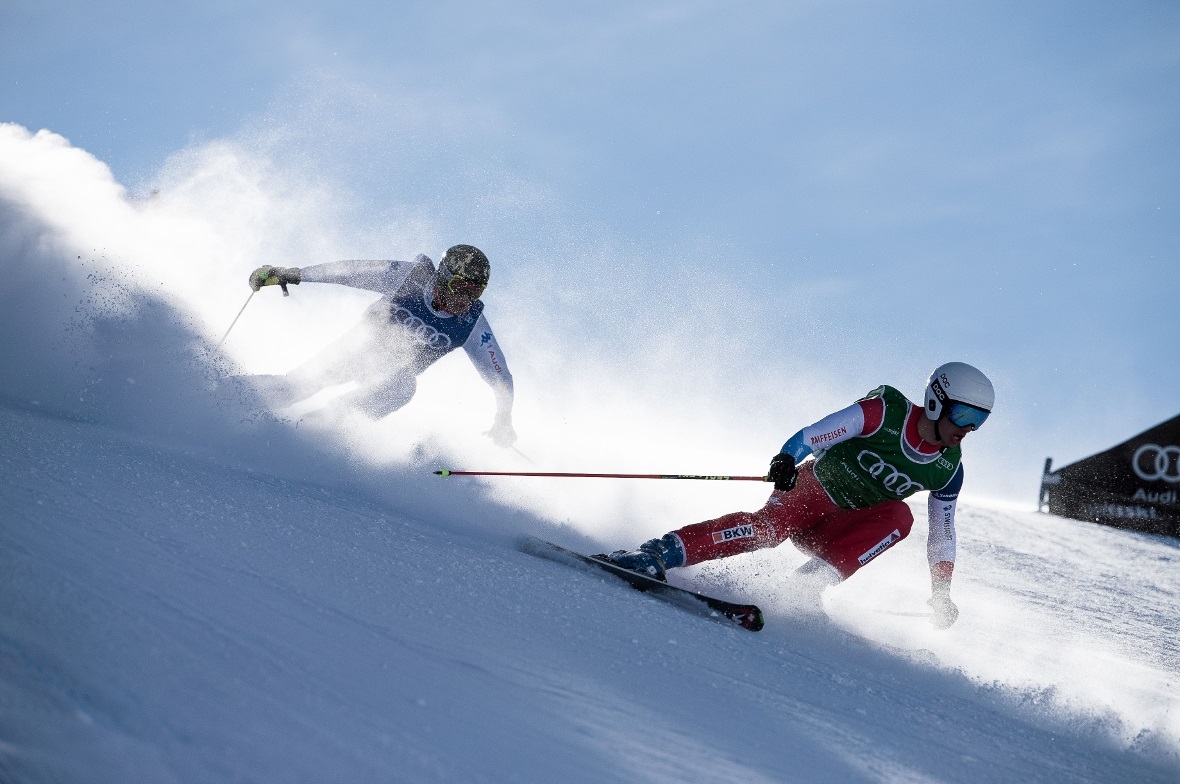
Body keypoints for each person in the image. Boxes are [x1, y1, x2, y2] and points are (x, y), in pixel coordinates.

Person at [603, 362, 995, 629]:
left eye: (978, 422)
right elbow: (813, 435)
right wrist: (788, 458)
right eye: (963, 415)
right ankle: (656, 554)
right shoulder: (883, 413)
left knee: (900, 518)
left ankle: (799, 592)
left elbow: (943, 536)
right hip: (811, 491)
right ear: (936, 400)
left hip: (838, 530)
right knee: (769, 529)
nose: (968, 429)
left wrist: (941, 595)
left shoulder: (948, 469)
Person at [244, 244, 517, 446]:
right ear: (443, 277)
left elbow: (500, 375)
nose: (465, 299)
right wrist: (293, 274)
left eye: (475, 292)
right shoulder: (412, 278)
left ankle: (320, 429)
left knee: (404, 385)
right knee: (296, 386)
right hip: (358, 349)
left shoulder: (471, 323)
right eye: (460, 287)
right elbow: (351, 272)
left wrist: (503, 419)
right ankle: (228, 396)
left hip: (389, 374)